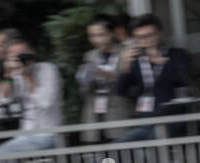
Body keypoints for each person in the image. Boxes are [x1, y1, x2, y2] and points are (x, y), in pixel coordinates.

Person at [114, 14, 192, 141]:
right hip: (144, 119)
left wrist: (161, 62)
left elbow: (184, 79)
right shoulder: (135, 60)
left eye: (150, 35)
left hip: (172, 118)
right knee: (119, 146)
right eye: (140, 38)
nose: (146, 40)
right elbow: (120, 91)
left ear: (159, 34)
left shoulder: (177, 55)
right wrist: (124, 67)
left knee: (149, 146)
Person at [77, 13, 129, 142]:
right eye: (92, 36)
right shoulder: (90, 55)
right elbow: (83, 90)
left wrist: (111, 77)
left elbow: (132, 85)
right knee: (103, 160)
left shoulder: (126, 52)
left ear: (112, 33)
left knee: (123, 159)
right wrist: (84, 78)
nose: (97, 40)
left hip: (119, 116)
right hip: (96, 116)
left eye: (101, 35)